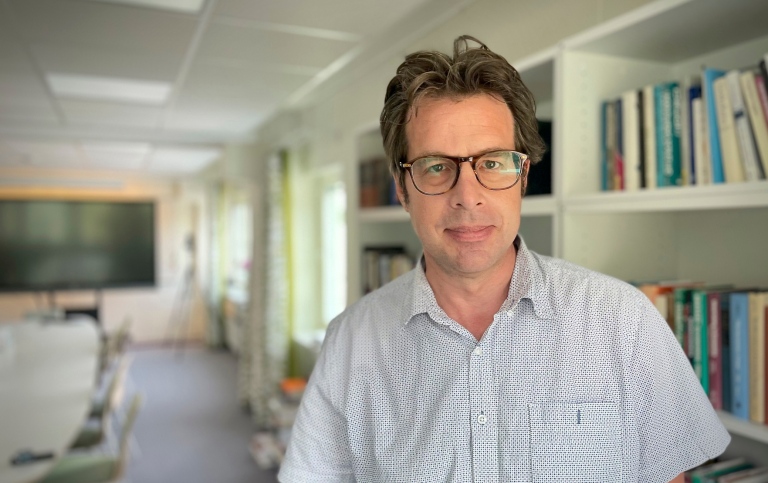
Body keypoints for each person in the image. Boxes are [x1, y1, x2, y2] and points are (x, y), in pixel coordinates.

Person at [278, 35, 729, 482]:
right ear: (402, 188)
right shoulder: (349, 345)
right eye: (436, 166)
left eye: (492, 163)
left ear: (523, 175)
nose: (467, 196)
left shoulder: (623, 320)